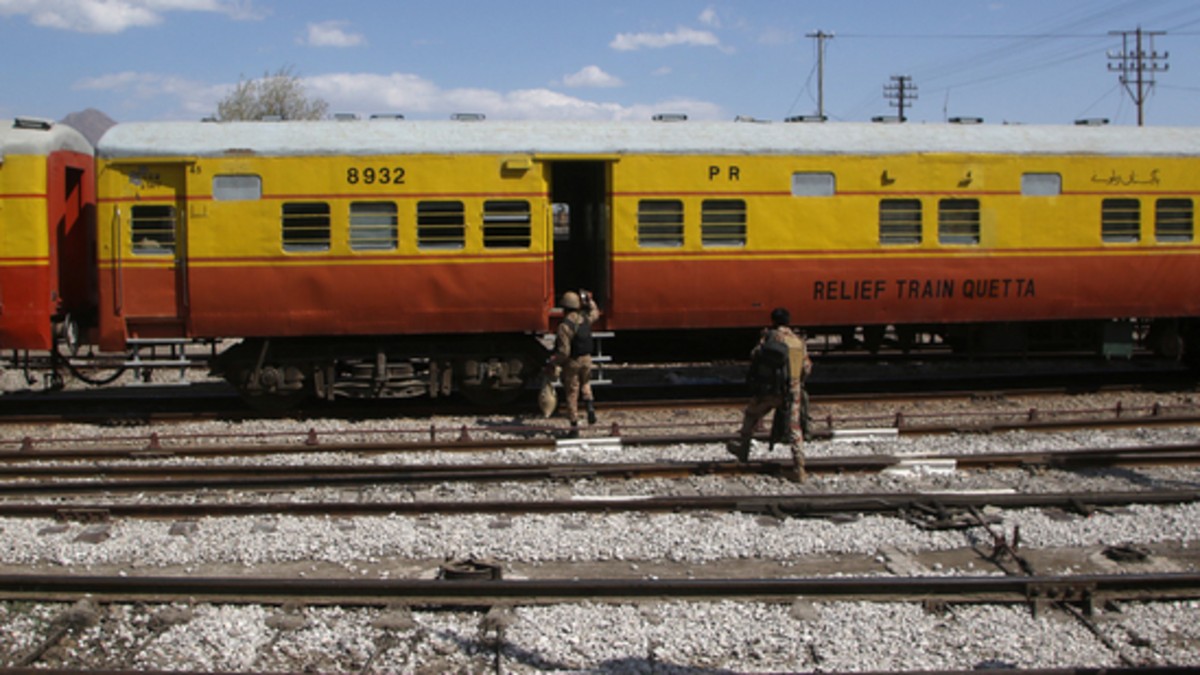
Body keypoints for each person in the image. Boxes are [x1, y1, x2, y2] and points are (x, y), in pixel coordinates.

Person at [727, 307, 812, 482]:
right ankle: (799, 468)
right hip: (792, 391)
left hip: (770, 390)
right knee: (795, 428)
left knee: (751, 414)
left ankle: (743, 451)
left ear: (773, 321)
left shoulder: (770, 337)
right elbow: (807, 368)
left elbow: (755, 356)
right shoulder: (798, 341)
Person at [551, 289, 601, 438]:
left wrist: (555, 361)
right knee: (586, 382)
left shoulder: (564, 326)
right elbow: (595, 312)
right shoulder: (585, 319)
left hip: (573, 362)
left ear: (564, 308)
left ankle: (574, 427)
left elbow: (564, 352)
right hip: (587, 359)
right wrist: (589, 300)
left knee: (572, 393)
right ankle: (590, 407)